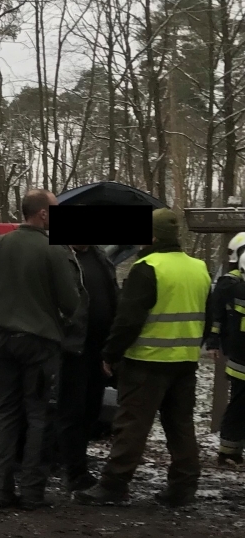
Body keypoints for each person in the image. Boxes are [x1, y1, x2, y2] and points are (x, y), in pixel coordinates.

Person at [77, 208, 212, 508]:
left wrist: (110, 354)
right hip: (185, 361)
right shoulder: (198, 268)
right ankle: (183, 487)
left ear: (152, 236)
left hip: (146, 363)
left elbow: (128, 320)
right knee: (180, 426)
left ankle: (113, 485)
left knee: (132, 426)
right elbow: (207, 315)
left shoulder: (147, 267)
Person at [0, 190, 80, 509]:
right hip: (41, 344)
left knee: (5, 413)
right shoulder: (53, 249)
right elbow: (71, 302)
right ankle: (32, 492)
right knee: (39, 414)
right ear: (42, 214)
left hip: (2, 341)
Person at [56, 243, 120, 490]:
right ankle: (74, 471)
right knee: (71, 410)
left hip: (100, 348)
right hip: (74, 347)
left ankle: (80, 463)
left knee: (92, 409)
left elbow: (112, 293)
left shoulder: (100, 258)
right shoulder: (62, 257)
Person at [205, 233, 245, 468]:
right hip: (241, 357)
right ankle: (228, 452)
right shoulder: (231, 285)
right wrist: (213, 341)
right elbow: (217, 314)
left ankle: (231, 451)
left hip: (239, 352)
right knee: (239, 404)